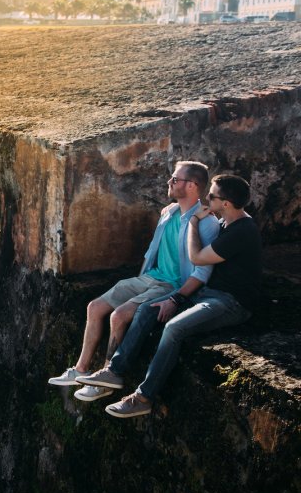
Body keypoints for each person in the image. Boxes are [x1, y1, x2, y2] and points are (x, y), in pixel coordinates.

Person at [77, 174, 262, 418]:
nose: (207, 199)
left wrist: (194, 222)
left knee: (174, 328)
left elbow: (197, 258)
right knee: (147, 309)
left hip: (230, 303)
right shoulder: (225, 224)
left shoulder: (243, 230)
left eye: (212, 196)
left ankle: (143, 397)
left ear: (225, 203)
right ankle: (114, 371)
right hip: (207, 295)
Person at [48, 161, 219, 402]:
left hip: (171, 285)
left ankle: (107, 376)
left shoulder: (207, 223)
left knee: (118, 316)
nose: (169, 182)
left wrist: (178, 297)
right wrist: (141, 276)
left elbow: (202, 271)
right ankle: (82, 368)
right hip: (150, 277)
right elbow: (152, 250)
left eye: (175, 179)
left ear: (192, 186)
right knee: (95, 307)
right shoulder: (169, 211)